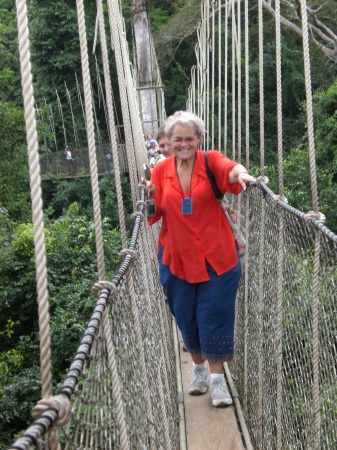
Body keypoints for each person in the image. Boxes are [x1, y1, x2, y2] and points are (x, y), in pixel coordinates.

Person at [141, 111, 255, 407]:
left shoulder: (210, 160)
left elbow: (230, 170)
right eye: (176, 139)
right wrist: (150, 198)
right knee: (187, 319)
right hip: (176, 260)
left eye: (189, 138)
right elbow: (154, 215)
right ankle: (200, 369)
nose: (183, 144)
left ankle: (218, 382)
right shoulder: (161, 170)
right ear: (168, 141)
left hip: (217, 259)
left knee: (214, 316)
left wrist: (241, 174)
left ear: (198, 139)